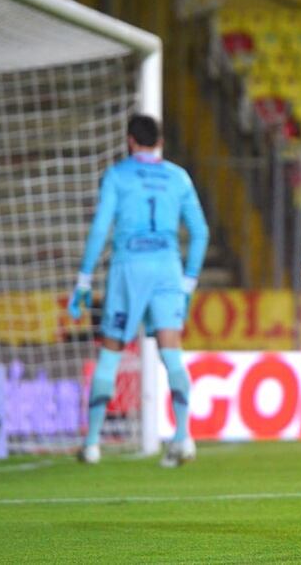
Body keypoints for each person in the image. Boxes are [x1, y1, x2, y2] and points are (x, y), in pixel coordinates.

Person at [68, 114, 209, 467]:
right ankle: (183, 437)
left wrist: (84, 278)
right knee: (171, 352)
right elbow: (201, 232)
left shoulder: (118, 175)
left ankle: (91, 444)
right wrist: (188, 283)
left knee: (111, 352)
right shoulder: (179, 177)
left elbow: (101, 228)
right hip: (167, 268)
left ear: (130, 141)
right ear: (160, 141)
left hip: (128, 267)